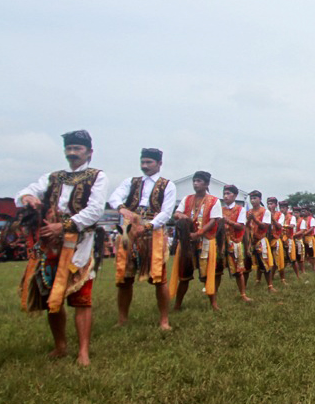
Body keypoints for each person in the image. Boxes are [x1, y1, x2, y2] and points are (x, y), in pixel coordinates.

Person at [16, 130, 108, 366]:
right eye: (69, 148)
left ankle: (83, 351)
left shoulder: (97, 176)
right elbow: (26, 192)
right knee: (51, 296)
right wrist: (28, 198)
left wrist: (64, 225)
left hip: (80, 245)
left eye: (77, 148)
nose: (72, 153)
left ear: (89, 152)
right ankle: (60, 346)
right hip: (51, 245)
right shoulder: (53, 177)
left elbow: (95, 210)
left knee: (82, 298)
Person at [108, 147, 177, 330]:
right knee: (125, 277)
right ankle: (122, 319)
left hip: (153, 233)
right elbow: (114, 197)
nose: (144, 166)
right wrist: (122, 209)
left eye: (149, 162)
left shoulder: (167, 185)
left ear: (159, 164)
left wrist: (147, 226)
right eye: (143, 162)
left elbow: (166, 212)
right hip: (129, 232)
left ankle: (164, 320)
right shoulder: (131, 182)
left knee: (159, 278)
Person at [171, 171, 223, 311]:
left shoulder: (214, 200)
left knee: (207, 274)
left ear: (206, 184)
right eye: (194, 181)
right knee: (184, 274)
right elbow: (176, 213)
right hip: (187, 241)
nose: (195, 183)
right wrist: (183, 216)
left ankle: (213, 303)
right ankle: (177, 304)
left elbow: (214, 220)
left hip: (205, 240)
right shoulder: (187, 199)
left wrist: (199, 233)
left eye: (199, 181)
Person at [221, 184, 252, 302]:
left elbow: (241, 226)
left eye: (228, 193)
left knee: (239, 271)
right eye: (224, 193)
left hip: (235, 242)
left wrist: (228, 221)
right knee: (217, 270)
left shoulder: (241, 209)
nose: (225, 196)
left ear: (235, 196)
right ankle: (214, 294)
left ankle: (243, 294)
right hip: (221, 242)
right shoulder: (220, 209)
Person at [247, 191, 278, 292]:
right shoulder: (249, 212)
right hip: (251, 240)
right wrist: (248, 220)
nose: (253, 200)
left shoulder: (265, 212)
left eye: (255, 198)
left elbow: (264, 226)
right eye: (251, 198)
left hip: (261, 240)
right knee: (251, 263)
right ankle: (254, 282)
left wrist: (254, 219)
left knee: (265, 263)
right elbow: (246, 226)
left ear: (260, 199)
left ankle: (270, 285)